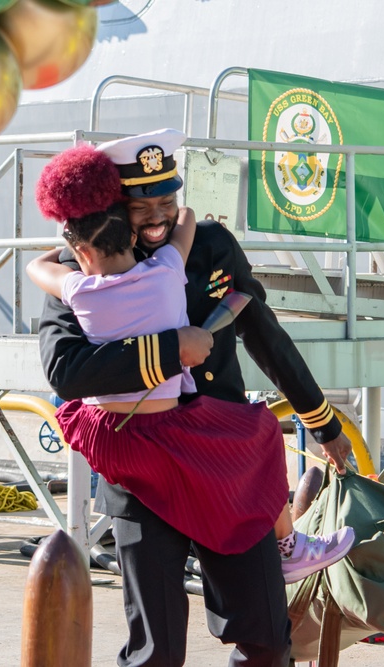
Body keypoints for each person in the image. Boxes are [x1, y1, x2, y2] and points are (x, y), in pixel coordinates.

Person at [37, 129, 356, 667]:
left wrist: (321, 420)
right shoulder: (82, 269)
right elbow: (66, 371)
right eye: (143, 207)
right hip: (142, 471)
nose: (159, 217)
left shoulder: (209, 245)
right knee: (155, 652)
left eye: (168, 201)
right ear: (116, 208)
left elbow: (264, 334)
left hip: (222, 464)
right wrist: (170, 350)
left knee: (266, 639)